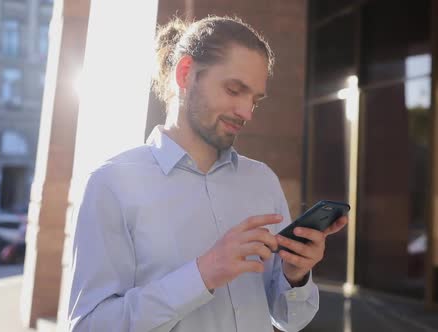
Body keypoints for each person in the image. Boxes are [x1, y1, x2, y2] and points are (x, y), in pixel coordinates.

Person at [66, 15, 348, 332]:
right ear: (186, 73)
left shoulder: (262, 181)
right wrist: (203, 274)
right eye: (234, 90)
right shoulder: (112, 184)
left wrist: (295, 275)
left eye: (255, 99)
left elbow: (290, 320)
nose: (246, 113)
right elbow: (90, 326)